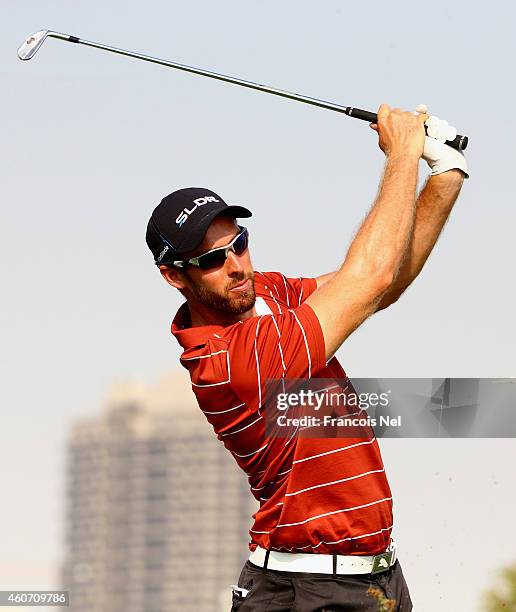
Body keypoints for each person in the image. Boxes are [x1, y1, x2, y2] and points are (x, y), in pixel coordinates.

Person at [145, 104, 468, 611]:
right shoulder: (233, 361)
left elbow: (380, 284)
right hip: (306, 593)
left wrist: (445, 176)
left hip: (375, 576)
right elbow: (369, 280)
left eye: (239, 245)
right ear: (175, 277)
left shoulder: (263, 296)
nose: (235, 267)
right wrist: (402, 152)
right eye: (210, 260)